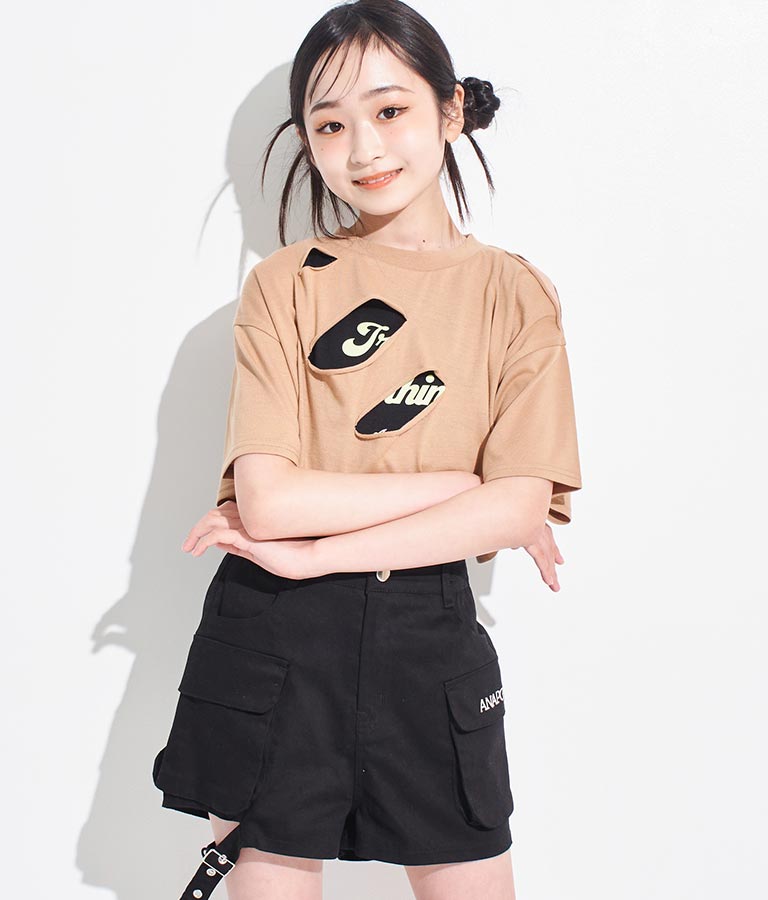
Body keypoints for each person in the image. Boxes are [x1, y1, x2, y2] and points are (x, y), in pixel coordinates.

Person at [151, 2, 582, 898]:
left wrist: (319, 554)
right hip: (273, 637)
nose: (363, 148)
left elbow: (516, 508)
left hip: (427, 637)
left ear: (450, 110)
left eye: (390, 110)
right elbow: (270, 503)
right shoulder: (283, 286)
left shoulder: (515, 293)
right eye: (330, 125)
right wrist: (463, 485)